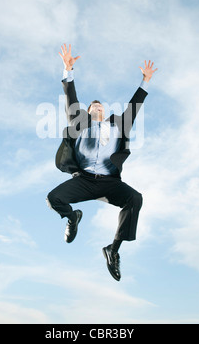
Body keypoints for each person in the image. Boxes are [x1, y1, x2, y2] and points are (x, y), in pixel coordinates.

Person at [46, 44, 157, 281]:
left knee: (135, 198)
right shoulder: (81, 122)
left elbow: (134, 107)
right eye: (93, 106)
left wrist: (145, 81)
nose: (97, 106)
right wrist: (68, 69)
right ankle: (72, 217)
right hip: (84, 180)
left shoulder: (117, 125)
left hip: (108, 182)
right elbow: (70, 97)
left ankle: (113, 250)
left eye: (100, 106)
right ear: (87, 111)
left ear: (104, 111)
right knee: (53, 199)